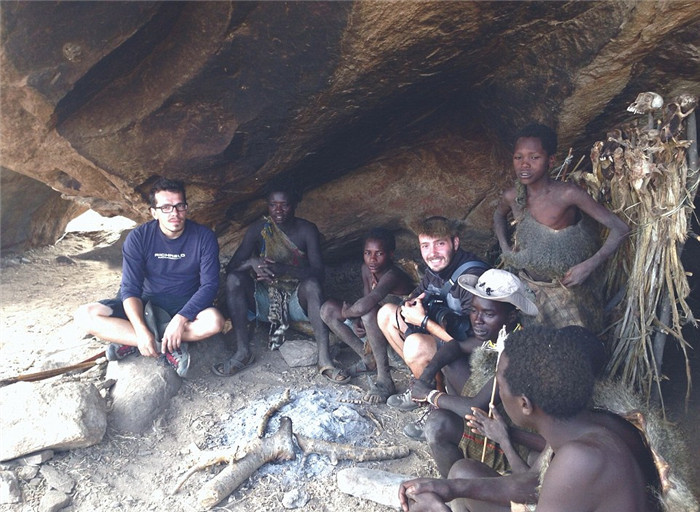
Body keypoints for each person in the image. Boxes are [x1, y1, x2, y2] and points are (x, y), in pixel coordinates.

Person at [399, 325, 661, 512]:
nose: (497, 394)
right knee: (461, 473)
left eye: (500, 385)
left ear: (524, 404)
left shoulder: (581, 459)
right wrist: (452, 488)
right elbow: (534, 483)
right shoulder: (583, 430)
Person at [74, 178, 225, 378]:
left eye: (179, 206)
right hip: (146, 305)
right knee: (85, 315)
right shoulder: (139, 238)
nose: (174, 213)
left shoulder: (203, 237)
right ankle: (162, 344)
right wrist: (140, 330)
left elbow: (209, 286)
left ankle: (131, 340)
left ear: (186, 208)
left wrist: (180, 319)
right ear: (154, 212)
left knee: (215, 322)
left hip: (185, 305)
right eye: (166, 208)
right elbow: (130, 289)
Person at [494, 123, 629, 332]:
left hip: (566, 292)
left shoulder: (568, 194)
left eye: (534, 157)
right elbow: (498, 216)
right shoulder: (513, 196)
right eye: (518, 157)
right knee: (536, 341)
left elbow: (620, 228)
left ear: (550, 160)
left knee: (574, 341)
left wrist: (588, 266)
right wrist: (505, 249)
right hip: (528, 287)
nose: (524, 164)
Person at [404, 269, 539, 470]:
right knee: (450, 360)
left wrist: (430, 395)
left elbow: (475, 408)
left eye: (488, 314)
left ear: (511, 317)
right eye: (474, 310)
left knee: (437, 424)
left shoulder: (517, 352)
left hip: (509, 436)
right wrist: (426, 376)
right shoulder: (499, 336)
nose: (477, 320)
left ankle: (465, 481)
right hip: (487, 416)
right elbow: (456, 346)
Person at [212, 185, 345, 383]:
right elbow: (231, 268)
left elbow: (318, 273)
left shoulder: (306, 230)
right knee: (234, 280)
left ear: (294, 205)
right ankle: (243, 352)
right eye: (273, 205)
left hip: (296, 301)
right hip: (266, 300)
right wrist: (252, 262)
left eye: (284, 205)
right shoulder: (260, 229)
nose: (278, 210)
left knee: (312, 285)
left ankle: (324, 359)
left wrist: (284, 269)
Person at [377, 216, 488, 413]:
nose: (432, 253)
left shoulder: (471, 277)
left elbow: (475, 343)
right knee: (386, 313)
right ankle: (423, 383)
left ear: (455, 243)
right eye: (425, 246)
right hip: (443, 335)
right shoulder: (434, 270)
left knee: (415, 345)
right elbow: (414, 296)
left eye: (440, 244)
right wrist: (411, 305)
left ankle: (438, 407)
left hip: (468, 355)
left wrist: (424, 321)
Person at [320, 228, 414, 403]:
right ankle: (368, 359)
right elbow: (366, 299)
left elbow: (367, 304)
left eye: (379, 253)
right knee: (328, 309)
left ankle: (384, 379)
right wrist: (357, 319)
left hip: (398, 341)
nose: (372, 259)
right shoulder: (366, 270)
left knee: (368, 313)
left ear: (391, 254)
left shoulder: (392, 275)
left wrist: (348, 312)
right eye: (367, 253)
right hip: (373, 335)